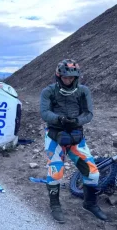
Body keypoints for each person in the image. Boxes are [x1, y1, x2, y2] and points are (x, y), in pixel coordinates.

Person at [40, 59, 107, 223]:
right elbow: (44, 113)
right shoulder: (48, 91)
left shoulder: (83, 91)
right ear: (59, 76)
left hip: (76, 135)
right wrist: (60, 119)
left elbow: (89, 113)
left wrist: (77, 121)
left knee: (92, 172)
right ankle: (55, 205)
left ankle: (90, 203)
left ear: (76, 77)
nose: (68, 80)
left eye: (71, 78)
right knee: (56, 172)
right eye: (65, 78)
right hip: (54, 134)